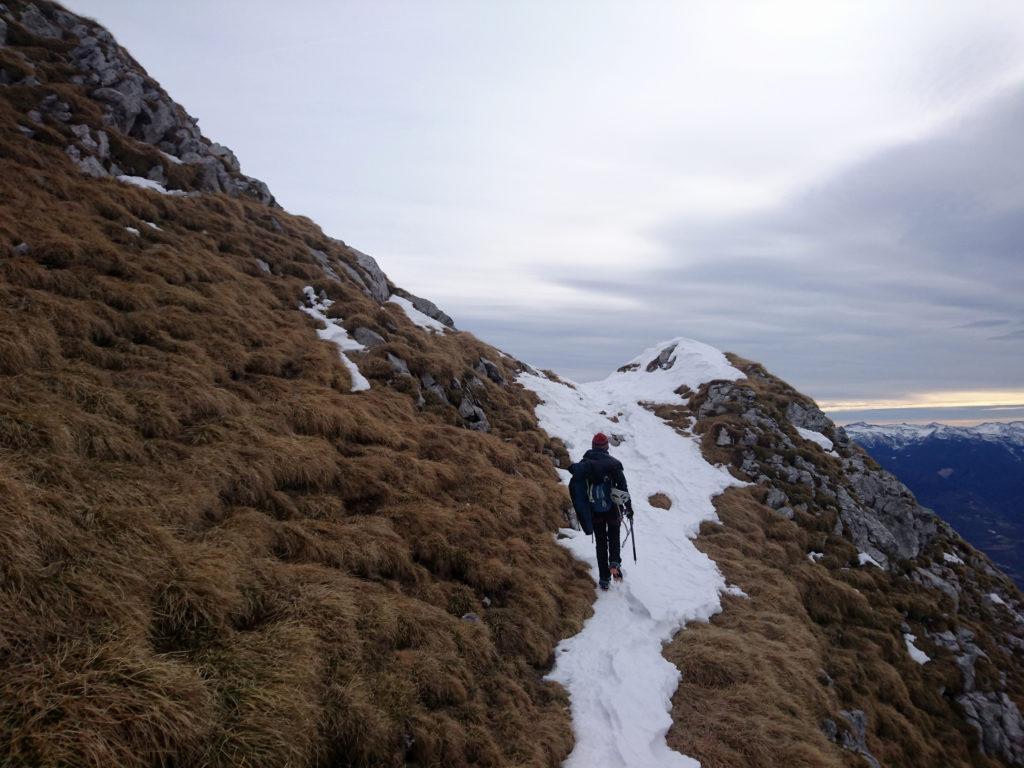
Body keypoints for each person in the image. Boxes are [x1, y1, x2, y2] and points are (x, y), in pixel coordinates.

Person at [569, 432, 634, 590]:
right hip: (613, 510)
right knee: (614, 538)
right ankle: (614, 564)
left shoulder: (585, 465)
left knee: (601, 544)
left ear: (593, 446)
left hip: (595, 511)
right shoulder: (613, 465)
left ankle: (604, 579)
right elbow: (623, 488)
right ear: (606, 446)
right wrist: (629, 508)